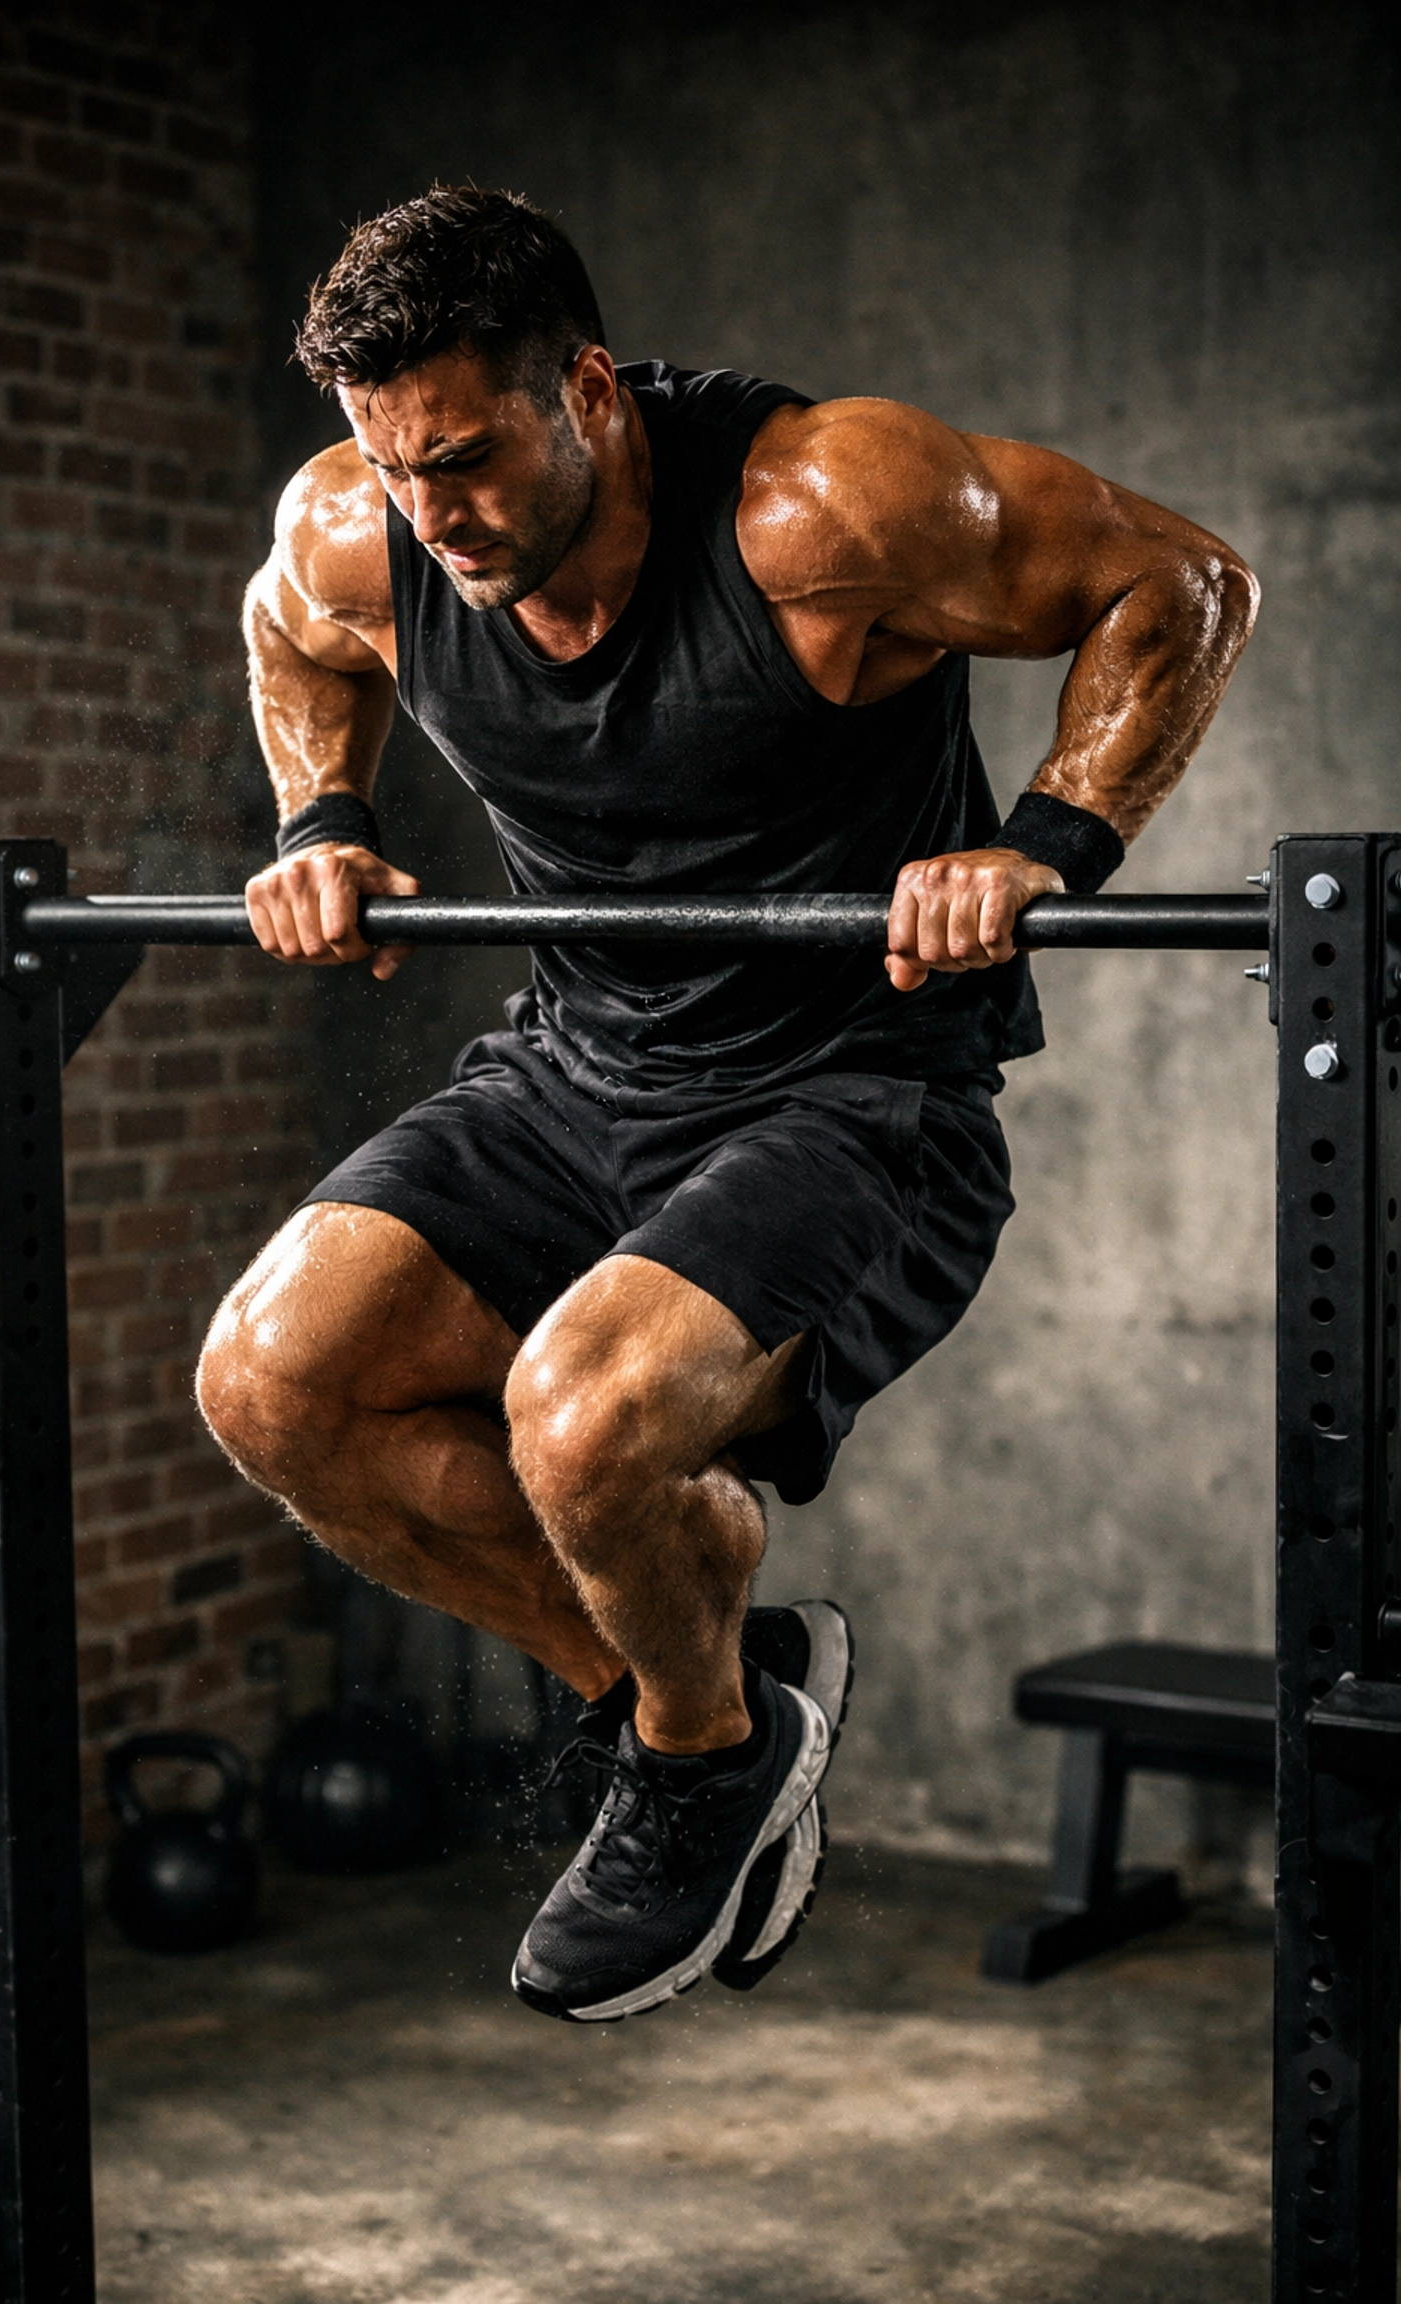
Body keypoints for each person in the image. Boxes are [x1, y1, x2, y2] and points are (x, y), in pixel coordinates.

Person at [196, 185, 1258, 2023]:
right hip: (577, 1068)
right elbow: (290, 628)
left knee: (582, 1423)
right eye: (390, 466)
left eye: (460, 458)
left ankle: (692, 1769)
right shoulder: (362, 527)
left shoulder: (824, 507)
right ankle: (702, 1707)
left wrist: (1046, 846)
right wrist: (324, 824)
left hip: (857, 1096)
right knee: (273, 1383)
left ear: (587, 391)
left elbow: (1182, 581)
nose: (428, 520)